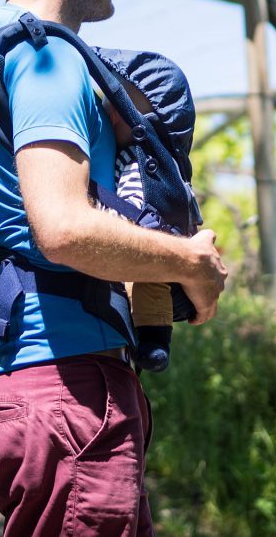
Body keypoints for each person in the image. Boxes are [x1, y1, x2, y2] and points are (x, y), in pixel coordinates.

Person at [0, 0, 226, 536]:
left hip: (29, 375)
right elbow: (62, 227)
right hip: (66, 385)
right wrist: (189, 260)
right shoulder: (45, 58)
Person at [98, 53, 198, 372]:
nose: (109, 113)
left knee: (146, 284)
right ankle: (152, 339)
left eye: (119, 107)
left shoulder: (137, 165)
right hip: (163, 249)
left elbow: (133, 206)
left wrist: (106, 219)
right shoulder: (164, 166)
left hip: (147, 247)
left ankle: (154, 340)